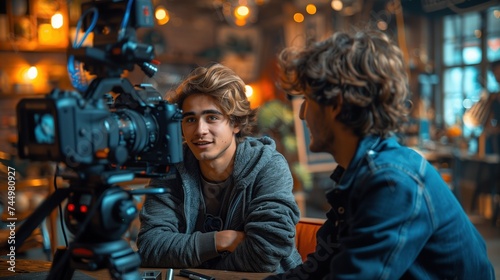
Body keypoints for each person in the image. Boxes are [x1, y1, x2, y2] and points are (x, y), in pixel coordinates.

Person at [266, 29, 495, 279]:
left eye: (308, 100)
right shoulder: (359, 172)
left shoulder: (391, 182)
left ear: (336, 105)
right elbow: (318, 270)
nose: (302, 115)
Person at [136, 63, 302, 272]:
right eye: (190, 119)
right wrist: (221, 240)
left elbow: (266, 251)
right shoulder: (172, 168)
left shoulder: (267, 165)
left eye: (212, 117)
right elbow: (150, 246)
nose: (200, 130)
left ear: (236, 123)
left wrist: (208, 270)